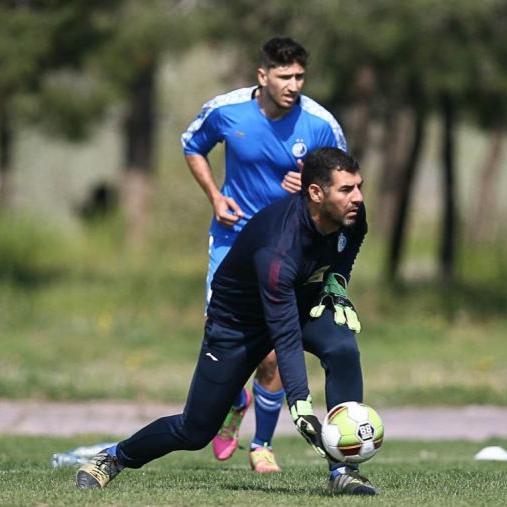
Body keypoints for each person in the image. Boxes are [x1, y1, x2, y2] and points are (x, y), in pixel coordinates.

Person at [76, 147, 377, 495]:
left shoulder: (352, 215)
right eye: (346, 189)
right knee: (195, 431)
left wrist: (336, 283)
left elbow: (347, 249)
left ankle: (344, 469)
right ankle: (113, 457)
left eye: (359, 186)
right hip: (238, 323)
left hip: (297, 302)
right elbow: (285, 334)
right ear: (315, 193)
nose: (358, 197)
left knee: (341, 347)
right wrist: (300, 404)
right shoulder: (277, 248)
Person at [180, 36, 347, 472]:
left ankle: (263, 444)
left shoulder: (319, 123)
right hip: (233, 243)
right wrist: (215, 196)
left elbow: (342, 181)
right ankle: (235, 403)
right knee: (223, 339)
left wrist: (312, 187)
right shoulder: (226, 110)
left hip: (287, 247)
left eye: (300, 77)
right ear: (263, 76)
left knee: (274, 349)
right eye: (285, 76)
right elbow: (192, 146)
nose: (293, 84)